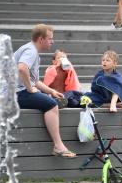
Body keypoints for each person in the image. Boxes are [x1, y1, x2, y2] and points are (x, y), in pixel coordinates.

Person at [14, 24, 76, 158]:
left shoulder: (31, 51)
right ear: (41, 39)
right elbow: (22, 68)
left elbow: (35, 81)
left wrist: (51, 91)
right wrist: (30, 89)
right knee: (51, 105)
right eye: (50, 39)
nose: (52, 41)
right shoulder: (31, 51)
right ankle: (58, 146)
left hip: (16, 92)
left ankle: (59, 145)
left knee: (51, 99)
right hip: (15, 94)